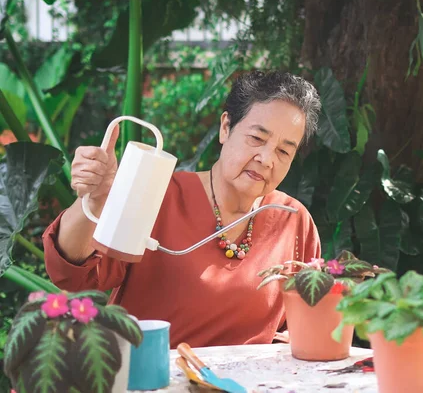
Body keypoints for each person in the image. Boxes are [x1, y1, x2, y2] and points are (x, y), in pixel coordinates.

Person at [42, 70, 322, 348]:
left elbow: (303, 323)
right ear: (226, 127)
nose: (266, 159)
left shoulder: (293, 219)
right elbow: (74, 276)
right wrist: (93, 201)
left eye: (284, 151)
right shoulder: (159, 195)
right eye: (257, 139)